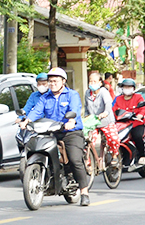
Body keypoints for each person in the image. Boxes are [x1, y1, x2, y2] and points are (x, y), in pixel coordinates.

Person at [21, 67, 92, 205]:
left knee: (74, 159)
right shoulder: (45, 97)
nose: (52, 84)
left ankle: (84, 192)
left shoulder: (72, 95)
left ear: (63, 81)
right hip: (51, 132)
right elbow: (36, 111)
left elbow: (75, 109)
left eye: (55, 81)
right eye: (50, 81)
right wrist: (27, 121)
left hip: (71, 133)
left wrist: (71, 121)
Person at [112, 78, 145, 166]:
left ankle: (142, 156)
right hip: (122, 124)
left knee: (137, 136)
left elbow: (142, 109)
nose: (127, 88)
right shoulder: (118, 99)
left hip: (136, 124)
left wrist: (139, 116)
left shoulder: (138, 97)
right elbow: (113, 110)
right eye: (125, 87)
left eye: (129, 87)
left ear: (133, 88)